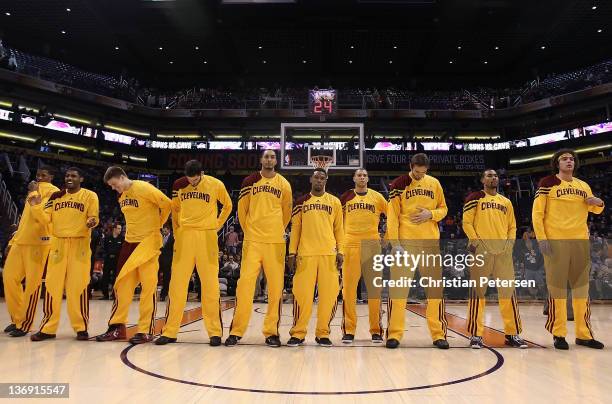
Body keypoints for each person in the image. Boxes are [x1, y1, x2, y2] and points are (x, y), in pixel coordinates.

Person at [532, 149, 605, 350]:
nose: (569, 161)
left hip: (580, 241)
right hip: (556, 242)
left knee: (582, 290)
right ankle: (559, 333)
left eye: (571, 159)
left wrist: (598, 202)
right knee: (558, 289)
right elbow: (537, 214)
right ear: (557, 163)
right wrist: (542, 239)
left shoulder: (583, 186)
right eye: (564, 159)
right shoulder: (547, 184)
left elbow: (595, 208)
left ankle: (584, 334)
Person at [155, 160, 232, 346]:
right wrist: (178, 233)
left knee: (210, 286)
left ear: (202, 173)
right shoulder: (178, 185)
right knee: (177, 285)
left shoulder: (215, 184)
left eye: (196, 180)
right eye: (190, 179)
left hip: (207, 236)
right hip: (185, 237)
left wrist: (217, 226)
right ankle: (170, 331)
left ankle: (215, 332)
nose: (193, 183)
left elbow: (228, 206)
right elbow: (175, 210)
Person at [95, 167, 171, 344]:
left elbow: (167, 204)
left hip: (148, 243)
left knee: (148, 288)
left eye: (115, 184)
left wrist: (158, 224)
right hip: (129, 243)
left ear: (122, 178)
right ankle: (116, 328)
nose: (114, 188)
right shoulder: (121, 196)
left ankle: (145, 330)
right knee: (121, 286)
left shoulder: (144, 188)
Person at [225, 150, 292, 348]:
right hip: (253, 241)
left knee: (275, 289)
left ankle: (271, 332)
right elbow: (242, 210)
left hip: (275, 243)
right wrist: (251, 231)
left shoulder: (284, 184)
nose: (269, 159)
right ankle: (236, 332)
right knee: (245, 286)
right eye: (267, 156)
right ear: (261, 160)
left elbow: (286, 212)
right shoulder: (250, 181)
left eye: (273, 156)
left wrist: (276, 230)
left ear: (276, 161)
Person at [386, 153, 449, 349]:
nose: (420, 175)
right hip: (406, 244)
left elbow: (444, 209)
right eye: (417, 172)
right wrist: (395, 244)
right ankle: (394, 334)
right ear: (411, 167)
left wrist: (431, 214)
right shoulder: (399, 184)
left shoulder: (434, 183)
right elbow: (392, 217)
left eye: (423, 172)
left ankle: (438, 334)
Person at [29, 167, 99, 341]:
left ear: (80, 179)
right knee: (52, 287)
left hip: (79, 244)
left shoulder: (90, 195)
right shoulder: (56, 196)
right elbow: (45, 219)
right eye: (67, 175)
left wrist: (92, 221)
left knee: (78, 287)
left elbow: (94, 217)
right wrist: (36, 205)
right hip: (58, 244)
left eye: (73, 176)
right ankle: (48, 328)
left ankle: (81, 327)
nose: (69, 178)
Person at [462, 169, 527, 349]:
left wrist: (509, 245)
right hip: (481, 251)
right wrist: (476, 242)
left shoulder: (506, 202)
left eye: (496, 175)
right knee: (477, 293)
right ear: (482, 179)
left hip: (503, 253)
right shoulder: (474, 198)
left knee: (508, 293)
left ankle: (512, 333)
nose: (493, 178)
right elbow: (466, 222)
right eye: (489, 175)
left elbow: (512, 226)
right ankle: (475, 334)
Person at [287, 168, 344, 347]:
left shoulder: (334, 202)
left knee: (329, 297)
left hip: (329, 254)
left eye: (322, 178)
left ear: (326, 180)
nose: (319, 180)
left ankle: (323, 333)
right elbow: (295, 229)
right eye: (316, 177)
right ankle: (298, 333)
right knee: (302, 296)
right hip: (306, 254)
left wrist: (341, 251)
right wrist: (292, 253)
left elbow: (339, 229)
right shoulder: (301, 202)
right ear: (311, 180)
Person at [3, 165, 59, 337]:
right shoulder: (32, 190)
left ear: (51, 177)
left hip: (39, 244)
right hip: (20, 242)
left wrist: (34, 194)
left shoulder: (54, 192)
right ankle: (17, 319)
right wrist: (13, 240)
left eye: (44, 174)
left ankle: (25, 324)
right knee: (9, 278)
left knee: (32, 286)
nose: (40, 177)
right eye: (38, 174)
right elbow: (25, 219)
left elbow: (42, 218)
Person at [339, 168, 387, 344]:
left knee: (375, 290)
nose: (362, 177)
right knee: (348, 291)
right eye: (359, 175)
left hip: (372, 245)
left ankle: (376, 330)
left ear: (368, 178)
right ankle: (349, 330)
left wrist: (387, 237)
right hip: (349, 244)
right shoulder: (345, 197)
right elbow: (336, 221)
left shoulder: (377, 197)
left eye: (365, 175)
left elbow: (393, 215)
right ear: (354, 178)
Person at [99, 223, 124, 300]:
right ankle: (105, 295)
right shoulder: (107, 237)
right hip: (108, 259)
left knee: (115, 278)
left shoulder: (122, 238)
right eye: (119, 228)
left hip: (117, 260)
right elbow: (104, 248)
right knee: (105, 277)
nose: (120, 230)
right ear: (114, 229)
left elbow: (122, 250)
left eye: (120, 229)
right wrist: (107, 255)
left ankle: (114, 294)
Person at [158, 225, 174, 301]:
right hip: (159, 260)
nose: (164, 232)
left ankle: (164, 294)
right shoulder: (160, 236)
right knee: (155, 277)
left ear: (169, 230)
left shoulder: (173, 238)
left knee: (166, 278)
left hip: (168, 261)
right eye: (163, 231)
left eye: (165, 231)